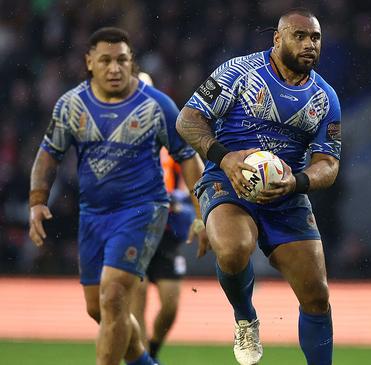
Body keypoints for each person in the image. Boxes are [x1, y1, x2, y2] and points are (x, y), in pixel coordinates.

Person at [28, 27, 207, 365]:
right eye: (106, 60)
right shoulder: (71, 106)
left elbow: (188, 159)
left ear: (131, 63)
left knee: (113, 296)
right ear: (89, 62)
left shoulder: (157, 106)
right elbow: (47, 155)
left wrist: (203, 213)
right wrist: (37, 202)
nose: (114, 68)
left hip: (143, 210)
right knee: (100, 308)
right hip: (93, 216)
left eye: (122, 60)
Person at [176, 8, 341, 365]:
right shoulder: (237, 72)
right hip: (228, 180)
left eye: (315, 38)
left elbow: (329, 164)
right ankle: (245, 317)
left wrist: (296, 183)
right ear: (277, 39)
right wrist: (225, 158)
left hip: (286, 194)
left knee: (317, 295)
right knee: (234, 250)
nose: (309, 44)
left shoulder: (325, 98)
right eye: (299, 36)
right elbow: (187, 120)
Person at [131, 147, 196, 363]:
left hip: (167, 233)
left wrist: (179, 198)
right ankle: (144, 359)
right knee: (137, 295)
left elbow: (190, 177)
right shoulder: (131, 149)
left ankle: (153, 349)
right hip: (137, 231)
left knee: (170, 305)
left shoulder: (173, 150)